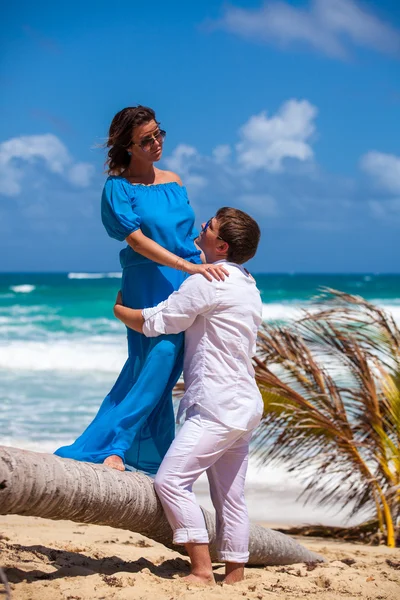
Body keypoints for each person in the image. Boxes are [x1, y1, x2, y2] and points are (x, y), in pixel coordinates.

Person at [55, 105, 227, 473]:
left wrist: (221, 269)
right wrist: (185, 265)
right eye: (146, 140)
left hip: (184, 281)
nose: (156, 143)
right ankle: (117, 446)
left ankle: (153, 458)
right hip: (146, 279)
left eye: (158, 134)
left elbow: (185, 238)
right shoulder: (117, 188)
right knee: (157, 358)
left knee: (161, 370)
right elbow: (135, 241)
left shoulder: (174, 180)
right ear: (128, 146)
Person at [113, 207, 263, 586]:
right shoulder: (247, 281)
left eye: (209, 226)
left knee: (170, 481)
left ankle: (200, 571)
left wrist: (118, 309)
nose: (202, 226)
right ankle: (234, 576)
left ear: (221, 244)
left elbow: (158, 321)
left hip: (217, 404)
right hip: (244, 404)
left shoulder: (209, 280)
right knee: (230, 496)